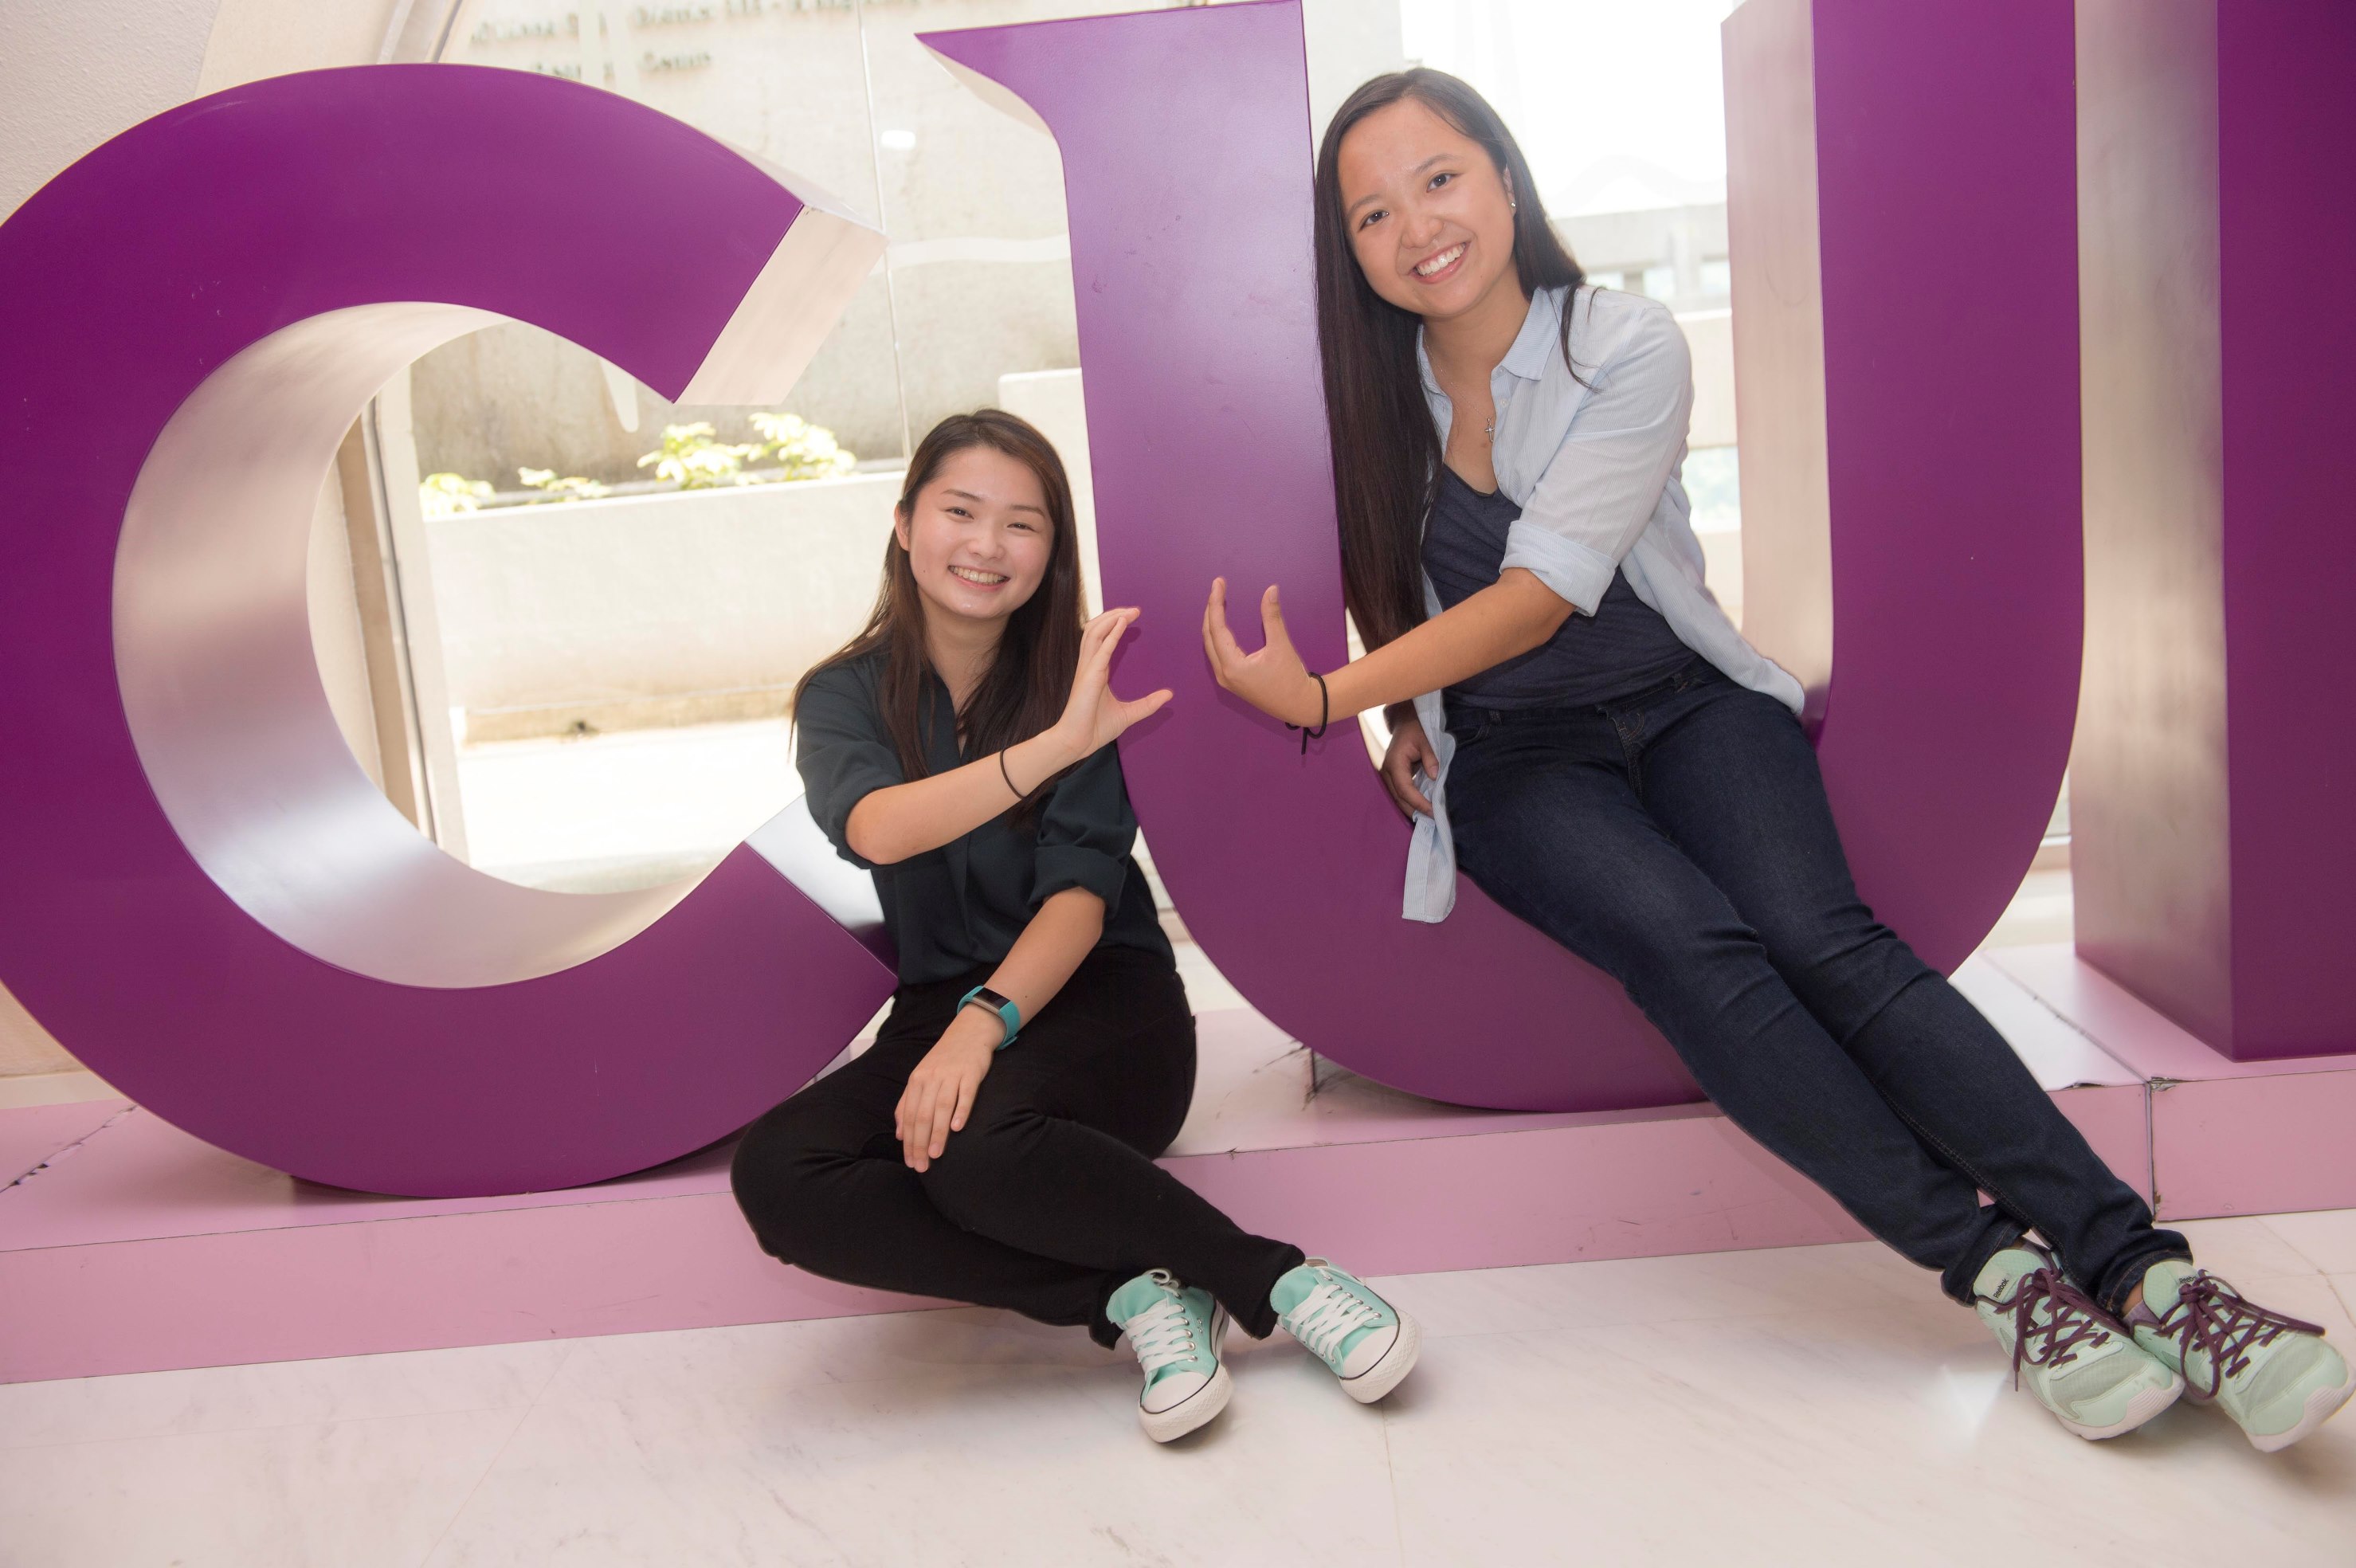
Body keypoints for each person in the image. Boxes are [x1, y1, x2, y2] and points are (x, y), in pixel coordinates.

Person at [1199, 69, 2350, 1451]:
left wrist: (1329, 694)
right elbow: (1397, 582)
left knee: (1829, 943)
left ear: (1503, 178)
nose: (1416, 228)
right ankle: (2000, 1276)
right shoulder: (1361, 400)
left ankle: (2148, 1273)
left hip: (1687, 701)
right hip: (1514, 759)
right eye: (1372, 213)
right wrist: (1400, 721)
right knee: (1692, 949)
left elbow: (1544, 588)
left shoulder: (1623, 342)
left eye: (1438, 178)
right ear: (1351, 253)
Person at [733, 410, 1420, 1442]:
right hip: (939, 1011)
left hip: (1107, 1007)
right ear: (903, 522)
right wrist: (1050, 750)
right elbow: (876, 827)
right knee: (778, 1176)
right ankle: (1130, 1296)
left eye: (1022, 524)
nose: (985, 545)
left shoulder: (1085, 681)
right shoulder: (843, 696)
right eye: (959, 512)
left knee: (972, 1147)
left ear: (1052, 551)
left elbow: (1078, 898)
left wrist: (987, 1019)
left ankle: (1273, 1281)